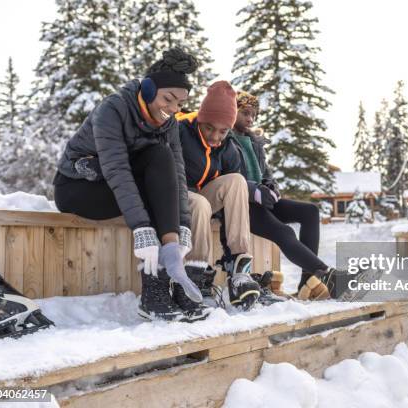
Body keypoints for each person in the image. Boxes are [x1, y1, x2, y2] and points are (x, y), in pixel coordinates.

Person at [54, 47, 210, 322]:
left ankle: (168, 282)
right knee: (147, 183)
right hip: (80, 185)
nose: (173, 109)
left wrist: (179, 230)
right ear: (149, 90)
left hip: (123, 184)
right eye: (168, 99)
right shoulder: (112, 109)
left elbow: (177, 174)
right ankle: (153, 292)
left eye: (180, 104)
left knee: (162, 158)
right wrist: (142, 229)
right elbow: (117, 170)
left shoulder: (168, 123)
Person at [226, 91, 349, 300]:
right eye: (245, 112)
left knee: (310, 211)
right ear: (232, 111)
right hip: (242, 205)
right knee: (284, 232)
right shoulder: (225, 139)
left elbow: (265, 172)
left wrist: (271, 186)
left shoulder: (254, 141)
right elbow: (228, 176)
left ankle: (307, 282)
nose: (250, 118)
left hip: (262, 200)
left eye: (254, 114)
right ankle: (329, 277)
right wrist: (255, 191)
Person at [175, 81, 261, 310]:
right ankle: (194, 274)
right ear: (200, 120)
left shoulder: (229, 147)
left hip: (200, 200)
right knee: (201, 203)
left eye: (223, 131)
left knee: (236, 181)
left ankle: (239, 268)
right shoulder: (179, 131)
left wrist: (229, 250)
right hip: (173, 196)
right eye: (209, 128)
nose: (215, 137)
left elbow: (233, 203)